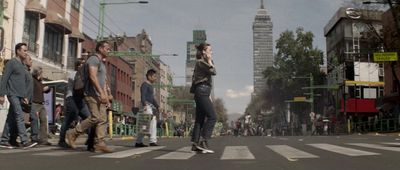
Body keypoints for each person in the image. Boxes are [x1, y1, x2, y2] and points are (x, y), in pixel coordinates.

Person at [66, 41, 112, 153]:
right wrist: (101, 92)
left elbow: (104, 82)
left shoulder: (102, 63)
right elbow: (92, 76)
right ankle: (72, 133)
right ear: (100, 48)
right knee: (95, 117)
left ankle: (99, 143)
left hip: (100, 95)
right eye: (107, 48)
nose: (109, 50)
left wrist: (106, 97)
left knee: (103, 119)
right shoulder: (94, 59)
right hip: (91, 94)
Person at [0, 43, 37, 149]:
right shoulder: (12, 63)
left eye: (26, 51)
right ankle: (25, 141)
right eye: (24, 50)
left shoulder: (22, 65)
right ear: (18, 51)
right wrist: (1, 95)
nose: (26, 53)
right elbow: (4, 78)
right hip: (12, 94)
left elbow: (21, 83)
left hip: (20, 95)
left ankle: (4, 140)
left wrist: (25, 96)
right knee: (19, 116)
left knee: (11, 117)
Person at [190, 43, 217, 154]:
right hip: (202, 91)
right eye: (210, 50)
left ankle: (195, 144)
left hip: (202, 91)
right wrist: (210, 60)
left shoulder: (202, 63)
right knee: (212, 117)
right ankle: (203, 140)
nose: (212, 52)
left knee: (200, 119)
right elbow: (213, 72)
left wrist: (209, 95)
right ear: (204, 52)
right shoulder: (201, 62)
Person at [58, 60, 91, 148]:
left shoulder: (83, 75)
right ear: (78, 66)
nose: (84, 66)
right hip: (72, 98)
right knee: (69, 119)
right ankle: (61, 140)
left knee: (89, 118)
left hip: (80, 100)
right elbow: (78, 86)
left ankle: (90, 139)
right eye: (82, 65)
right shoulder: (74, 74)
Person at [135, 69, 160, 147]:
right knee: (151, 122)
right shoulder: (145, 84)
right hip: (146, 106)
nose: (156, 78)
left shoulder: (150, 86)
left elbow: (152, 98)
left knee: (144, 124)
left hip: (148, 106)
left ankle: (138, 142)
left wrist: (157, 106)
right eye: (154, 76)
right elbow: (143, 95)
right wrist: (145, 105)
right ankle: (152, 141)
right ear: (149, 76)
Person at [30, 67, 52, 145]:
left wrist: (48, 88)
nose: (42, 74)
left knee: (44, 120)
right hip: (34, 103)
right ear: (38, 73)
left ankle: (43, 139)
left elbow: (45, 90)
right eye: (41, 73)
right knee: (34, 120)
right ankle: (34, 138)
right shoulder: (32, 80)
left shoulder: (40, 82)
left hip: (41, 104)